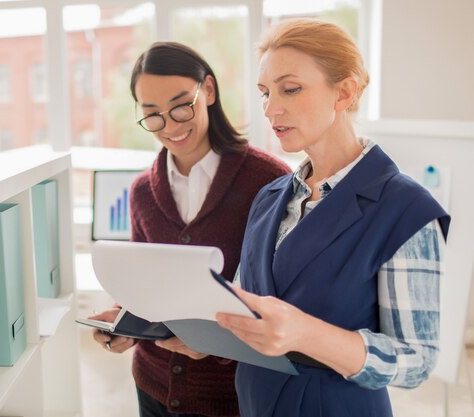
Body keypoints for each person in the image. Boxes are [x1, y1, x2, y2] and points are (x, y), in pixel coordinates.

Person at [215, 18, 451, 417]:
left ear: (345, 92)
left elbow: (417, 361)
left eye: (290, 89)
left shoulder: (406, 209)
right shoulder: (269, 198)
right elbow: (246, 306)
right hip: (256, 402)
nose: (271, 108)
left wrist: (308, 334)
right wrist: (187, 329)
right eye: (265, 92)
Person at [89, 41, 290, 417]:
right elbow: (144, 287)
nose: (171, 127)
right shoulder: (142, 192)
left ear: (209, 91)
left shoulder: (269, 181)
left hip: (229, 396)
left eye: (182, 105)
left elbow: (284, 303)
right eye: (153, 115)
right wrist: (122, 324)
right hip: (152, 385)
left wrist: (217, 342)